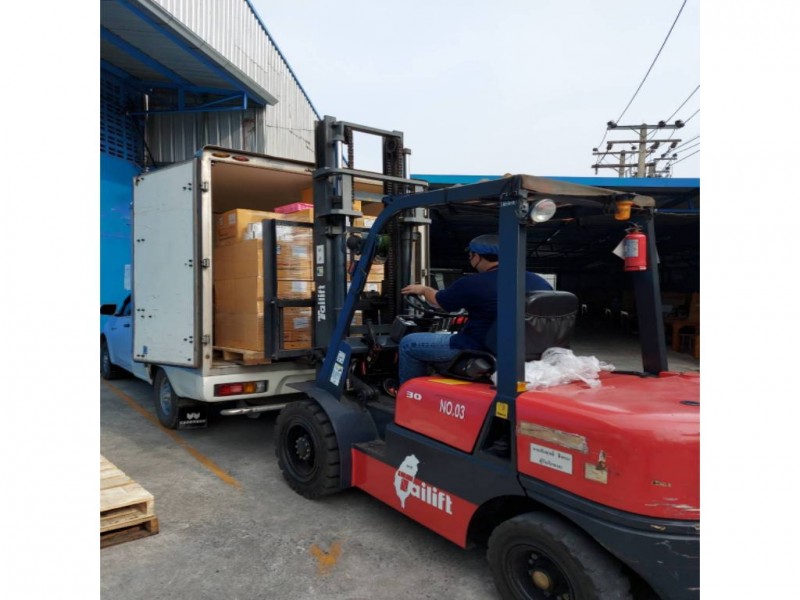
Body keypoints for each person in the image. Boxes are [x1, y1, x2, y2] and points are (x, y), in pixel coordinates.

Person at [396, 233, 552, 387]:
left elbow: (438, 302)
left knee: (409, 343)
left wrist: (423, 290)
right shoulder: (539, 281)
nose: (470, 259)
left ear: (477, 256)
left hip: (479, 347)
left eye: (470, 255)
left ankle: (409, 392)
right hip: (528, 350)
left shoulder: (473, 283)